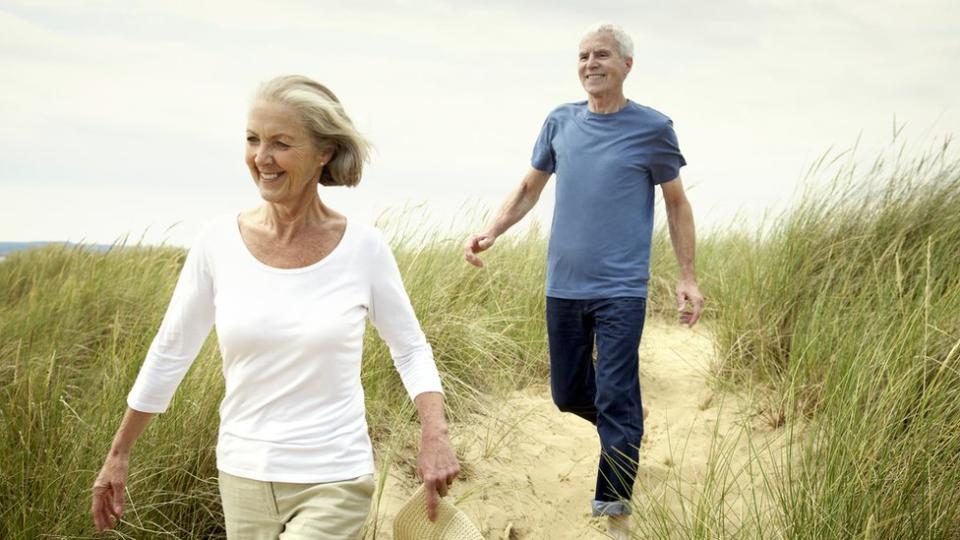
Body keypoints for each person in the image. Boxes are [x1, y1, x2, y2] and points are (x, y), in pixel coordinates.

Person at [91, 75, 460, 539]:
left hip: (335, 476)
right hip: (242, 473)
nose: (261, 158)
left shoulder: (365, 248)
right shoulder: (216, 243)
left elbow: (409, 348)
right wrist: (119, 450)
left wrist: (435, 434)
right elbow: (172, 352)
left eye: (281, 143)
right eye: (252, 140)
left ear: (323, 152)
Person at [463, 23, 704, 538]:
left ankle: (613, 509)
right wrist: (491, 231)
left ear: (626, 66)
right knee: (568, 393)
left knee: (617, 394)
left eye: (601, 55)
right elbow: (529, 187)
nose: (590, 63)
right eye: (583, 56)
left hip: (620, 289)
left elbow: (677, 203)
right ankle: (626, 435)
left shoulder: (654, 129)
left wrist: (687, 276)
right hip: (563, 286)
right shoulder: (559, 122)